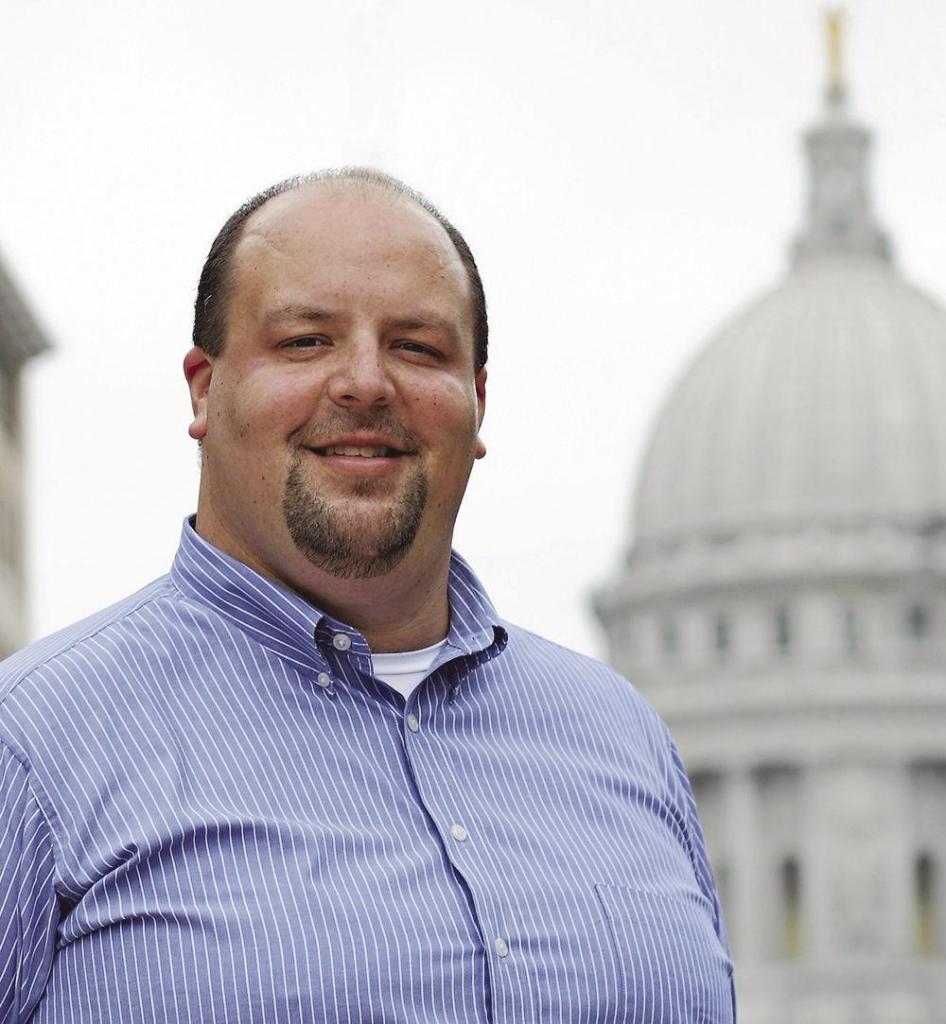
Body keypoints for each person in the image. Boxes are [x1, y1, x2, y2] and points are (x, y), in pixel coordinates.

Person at [0, 169, 735, 1023]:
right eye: (305, 341)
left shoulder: (624, 739)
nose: (365, 383)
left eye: (417, 348)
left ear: (477, 402)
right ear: (203, 388)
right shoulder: (30, 750)